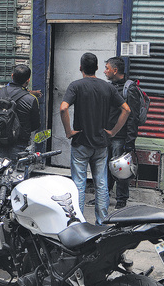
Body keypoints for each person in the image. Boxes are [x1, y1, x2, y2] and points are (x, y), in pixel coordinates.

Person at [60, 52, 130, 225]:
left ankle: (78, 222)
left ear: (80, 68)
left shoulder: (76, 86)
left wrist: (69, 131)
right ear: (97, 68)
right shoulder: (108, 88)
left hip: (81, 143)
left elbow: (63, 108)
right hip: (101, 144)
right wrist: (113, 132)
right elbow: (127, 110)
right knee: (101, 184)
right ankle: (102, 221)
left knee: (79, 184)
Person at [104, 57, 141, 209]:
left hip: (121, 137)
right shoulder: (108, 87)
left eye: (107, 68)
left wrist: (130, 141)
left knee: (121, 169)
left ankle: (121, 200)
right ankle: (104, 196)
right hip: (106, 135)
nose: (104, 71)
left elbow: (133, 117)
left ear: (115, 70)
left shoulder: (129, 89)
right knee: (104, 168)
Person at [0, 64, 40, 161]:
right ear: (28, 80)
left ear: (12, 76)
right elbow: (35, 125)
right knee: (17, 174)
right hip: (19, 144)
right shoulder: (31, 99)